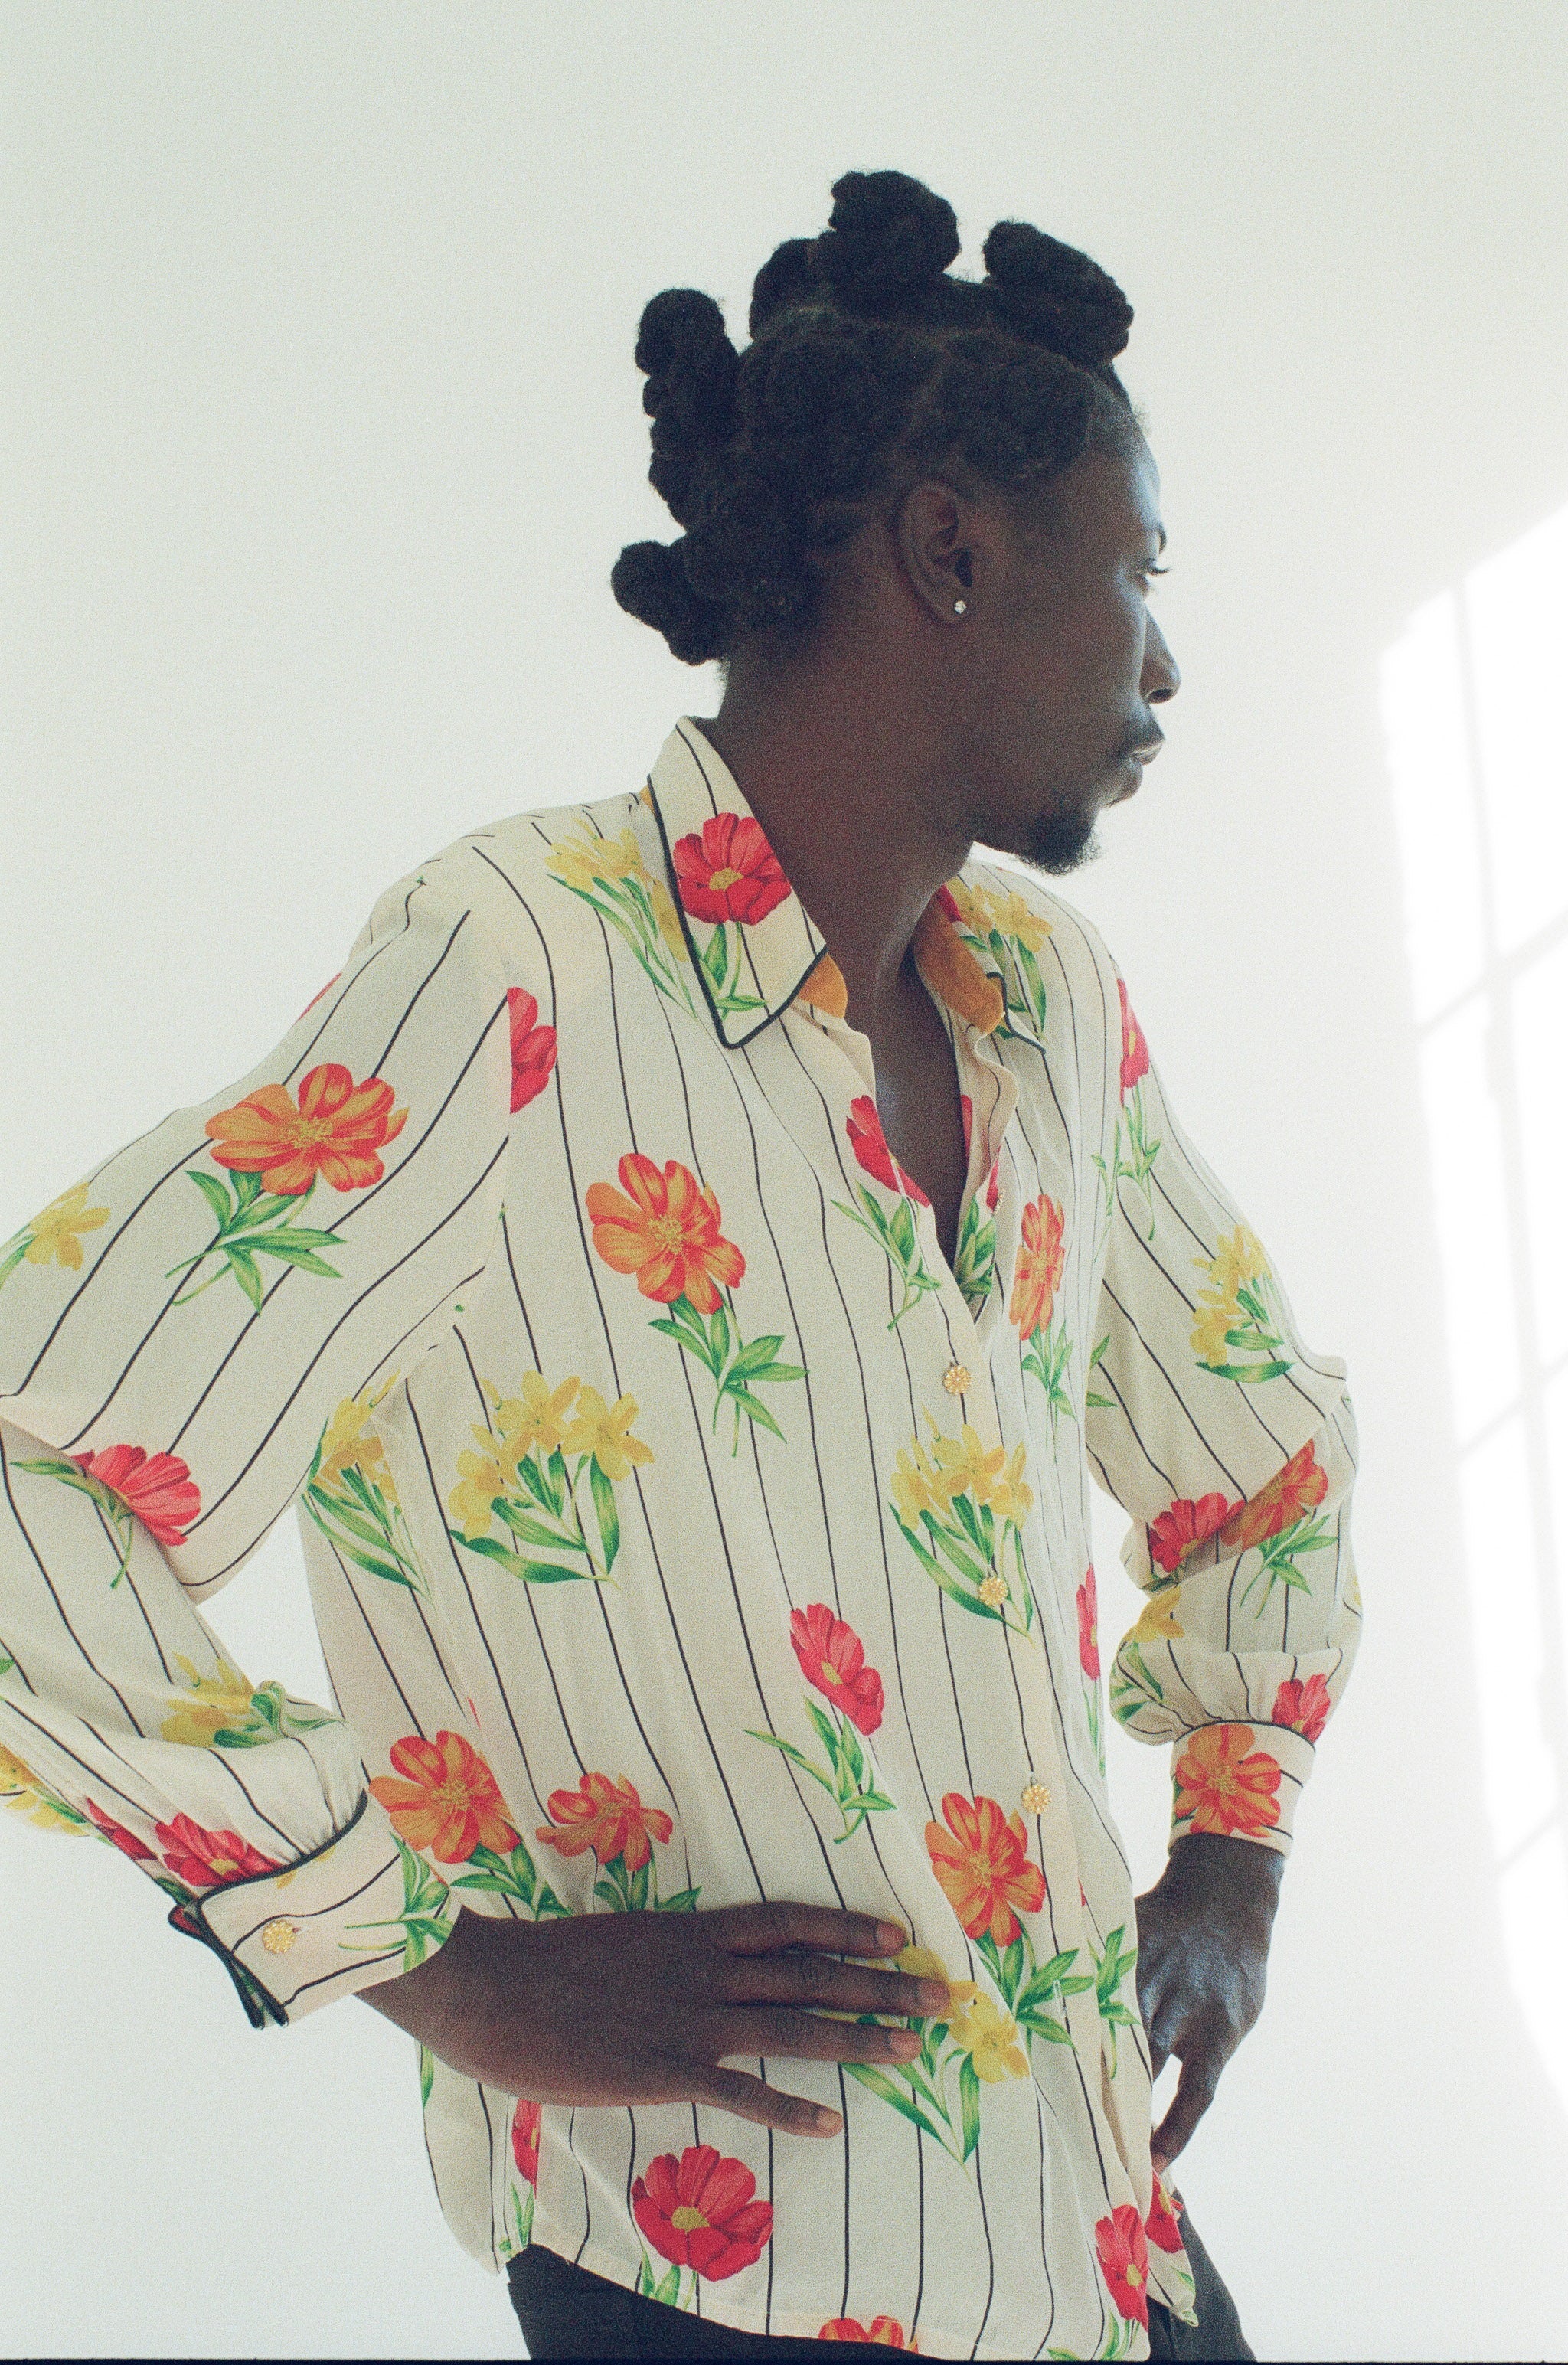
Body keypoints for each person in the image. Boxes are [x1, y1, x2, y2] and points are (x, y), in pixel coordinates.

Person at [0, 170, 1360, 2360]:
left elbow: (1263, 1452)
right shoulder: (511, 973)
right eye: (1140, 575)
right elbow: (30, 1477)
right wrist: (422, 1955)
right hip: (717, 2281)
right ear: (951, 548)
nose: (1164, 658)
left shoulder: (1050, 996)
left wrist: (1235, 1854)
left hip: (1096, 2240)